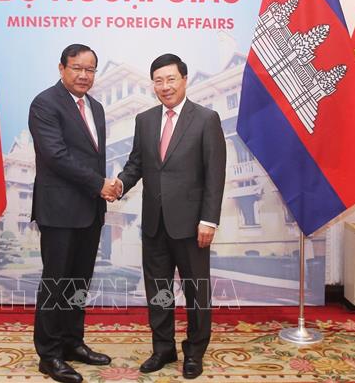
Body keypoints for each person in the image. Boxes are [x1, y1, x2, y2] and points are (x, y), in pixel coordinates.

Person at [117, 53, 226, 379]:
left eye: (171, 79)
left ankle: (194, 352)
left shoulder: (206, 119)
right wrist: (120, 184)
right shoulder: (145, 120)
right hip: (154, 223)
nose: (165, 86)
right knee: (158, 292)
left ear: (184, 80)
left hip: (192, 225)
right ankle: (163, 348)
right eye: (158, 81)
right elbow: (137, 164)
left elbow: (215, 173)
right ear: (153, 84)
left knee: (196, 292)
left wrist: (209, 219)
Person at [29, 44, 120, 383]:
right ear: (61, 68)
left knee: (79, 282)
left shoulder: (96, 107)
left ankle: (72, 343)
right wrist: (100, 184)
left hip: (90, 210)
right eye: (77, 68)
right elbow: (55, 155)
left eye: (90, 69)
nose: (84, 75)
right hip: (59, 210)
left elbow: (93, 157)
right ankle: (49, 355)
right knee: (56, 284)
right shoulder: (45, 103)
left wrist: (103, 189)